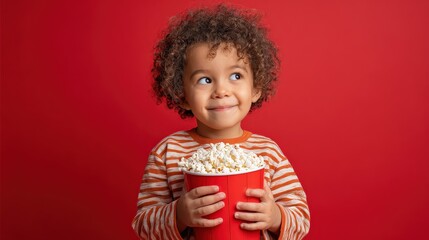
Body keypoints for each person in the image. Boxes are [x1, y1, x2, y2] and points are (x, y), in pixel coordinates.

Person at [132, 4, 310, 239]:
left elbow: (301, 219)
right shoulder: (168, 153)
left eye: (236, 76)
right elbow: (143, 226)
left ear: (256, 88)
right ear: (182, 94)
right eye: (205, 80)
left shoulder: (268, 153)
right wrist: (178, 215)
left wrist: (276, 217)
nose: (221, 91)